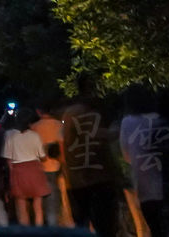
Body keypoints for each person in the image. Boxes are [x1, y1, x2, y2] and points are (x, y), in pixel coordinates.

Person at [62, 77, 123, 233]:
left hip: (78, 177)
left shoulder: (70, 113)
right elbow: (101, 136)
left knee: (83, 223)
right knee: (106, 225)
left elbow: (67, 143)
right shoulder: (94, 112)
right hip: (100, 176)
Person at [119, 84, 169, 236]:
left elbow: (126, 155)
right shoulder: (160, 119)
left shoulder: (128, 122)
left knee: (155, 227)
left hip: (144, 184)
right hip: (167, 184)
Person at [2, 107, 51, 226]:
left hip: (18, 170)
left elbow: (8, 159)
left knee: (21, 208)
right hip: (35, 169)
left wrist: (11, 178)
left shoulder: (9, 135)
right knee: (38, 207)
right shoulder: (35, 136)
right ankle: (39, 232)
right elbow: (43, 156)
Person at [31, 102, 69, 225]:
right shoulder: (58, 125)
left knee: (44, 195)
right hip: (57, 164)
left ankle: (45, 221)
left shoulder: (34, 127)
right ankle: (57, 220)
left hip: (41, 166)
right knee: (57, 194)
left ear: (38, 111)